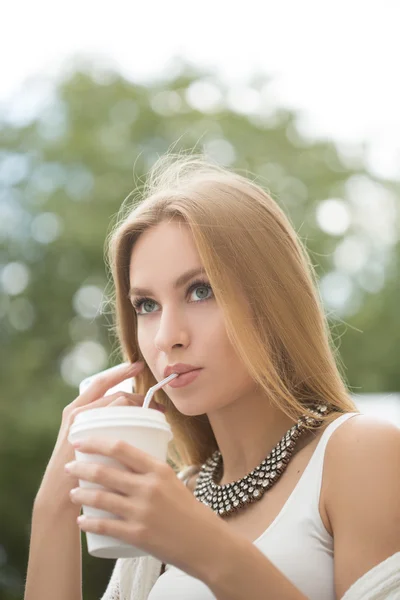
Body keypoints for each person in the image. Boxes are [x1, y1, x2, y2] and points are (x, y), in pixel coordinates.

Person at [24, 154, 400, 600]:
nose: (167, 337)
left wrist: (204, 547)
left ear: (273, 302)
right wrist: (54, 505)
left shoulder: (361, 454)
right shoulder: (172, 496)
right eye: (146, 305)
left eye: (200, 291)